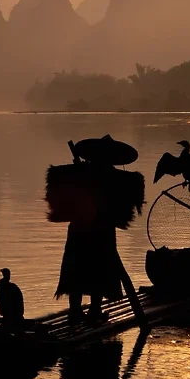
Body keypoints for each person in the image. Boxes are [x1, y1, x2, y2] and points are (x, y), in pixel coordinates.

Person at [45, 135, 144, 324]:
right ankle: (91, 311)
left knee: (82, 269)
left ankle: (81, 311)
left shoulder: (80, 172)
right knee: (95, 268)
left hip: (82, 228)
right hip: (100, 230)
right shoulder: (114, 177)